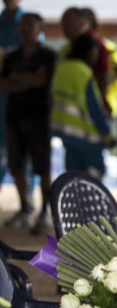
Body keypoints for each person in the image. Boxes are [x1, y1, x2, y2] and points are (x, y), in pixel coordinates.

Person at [0, 12, 56, 231]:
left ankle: (45, 211)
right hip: (14, 116)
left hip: (39, 118)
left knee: (43, 166)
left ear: (39, 29)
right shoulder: (12, 56)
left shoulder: (48, 55)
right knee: (17, 164)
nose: (24, 28)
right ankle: (24, 207)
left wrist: (17, 79)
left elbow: (42, 81)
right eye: (23, 25)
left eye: (30, 25)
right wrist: (29, 81)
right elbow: (3, 83)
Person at [51, 34, 115, 178]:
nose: (97, 56)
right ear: (89, 51)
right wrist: (107, 133)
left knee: (73, 177)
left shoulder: (61, 68)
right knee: (93, 178)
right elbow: (93, 108)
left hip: (66, 133)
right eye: (96, 51)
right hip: (87, 136)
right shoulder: (83, 72)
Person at [0, 0, 26, 192]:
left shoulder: (26, 24)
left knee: (21, 150)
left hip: (21, 98)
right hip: (1, 96)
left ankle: (26, 200)